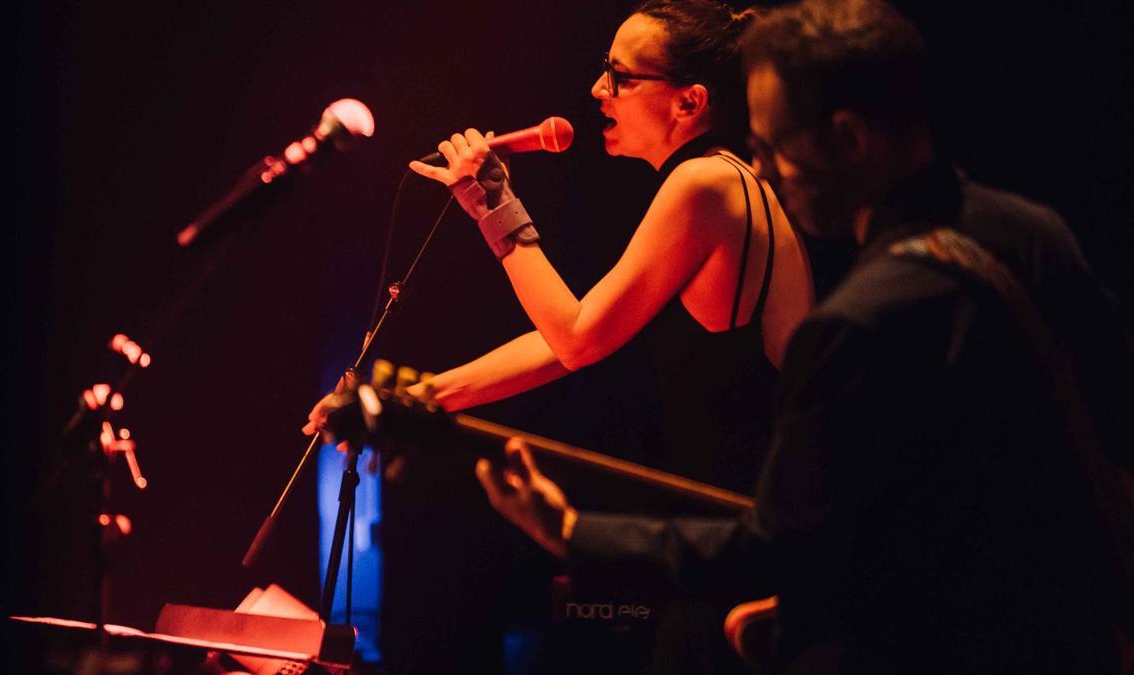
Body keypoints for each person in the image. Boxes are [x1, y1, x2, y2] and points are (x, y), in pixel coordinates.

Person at [474, 0, 1134, 672]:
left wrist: (571, 531)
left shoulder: (859, 321)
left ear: (849, 140)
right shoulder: (1038, 235)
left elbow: (775, 545)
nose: (765, 168)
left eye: (771, 145)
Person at [306, 0, 814, 497]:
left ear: (689, 102)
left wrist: (495, 207)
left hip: (747, 532)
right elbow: (566, 339)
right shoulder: (727, 179)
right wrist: (413, 400)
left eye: (620, 76)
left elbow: (577, 339)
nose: (598, 90)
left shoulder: (706, 184)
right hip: (740, 519)